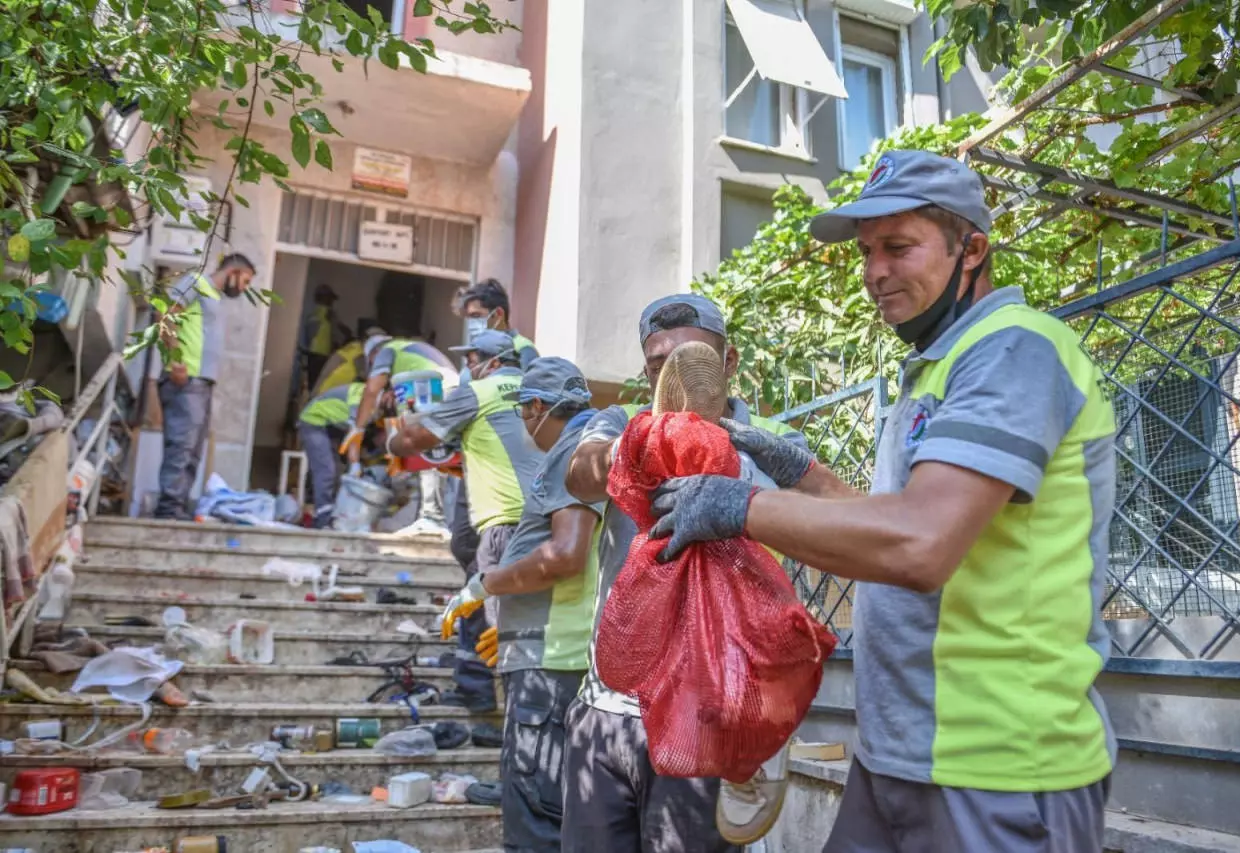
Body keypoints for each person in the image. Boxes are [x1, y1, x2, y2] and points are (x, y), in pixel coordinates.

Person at [647, 151, 1118, 853]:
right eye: (868, 252)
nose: (874, 272)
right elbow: (890, 522)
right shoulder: (936, 367)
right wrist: (801, 471)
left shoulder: (1014, 350)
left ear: (973, 249)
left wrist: (737, 503)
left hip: (1001, 764)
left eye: (899, 247)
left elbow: (920, 544)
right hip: (900, 751)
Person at [560, 294, 809, 853]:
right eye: (656, 364)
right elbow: (580, 474)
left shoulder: (773, 443)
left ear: (729, 362)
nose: (672, 373)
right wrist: (640, 448)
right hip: (605, 711)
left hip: (709, 717)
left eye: (689, 357)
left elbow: (819, 521)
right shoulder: (623, 425)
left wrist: (729, 468)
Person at [443, 356, 600, 852]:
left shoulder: (570, 451)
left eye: (523, 414)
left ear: (534, 408)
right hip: (555, 654)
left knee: (535, 820)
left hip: (550, 664)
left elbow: (565, 555)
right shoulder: (590, 445)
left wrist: (484, 585)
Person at [389, 329, 544, 713]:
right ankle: (492, 694)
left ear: (489, 362)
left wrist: (393, 439)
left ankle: (519, 724)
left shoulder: (478, 392)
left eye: (471, 360)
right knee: (529, 624)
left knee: (504, 625)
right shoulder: (537, 390)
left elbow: (415, 439)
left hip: (504, 525)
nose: (468, 368)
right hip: (551, 521)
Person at [154, 253, 256, 520]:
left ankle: (177, 506)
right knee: (182, 445)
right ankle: (168, 508)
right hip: (185, 379)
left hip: (201, 382)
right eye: (245, 281)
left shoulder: (214, 297)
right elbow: (163, 313)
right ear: (233, 271)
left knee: (193, 448)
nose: (244, 288)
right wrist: (176, 359)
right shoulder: (196, 281)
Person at [345, 335, 459, 536]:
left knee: (424, 458)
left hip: (429, 390)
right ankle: (444, 521)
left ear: (373, 355)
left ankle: (426, 521)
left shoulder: (387, 350)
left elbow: (371, 390)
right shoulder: (414, 351)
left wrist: (358, 429)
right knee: (445, 462)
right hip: (453, 392)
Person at [297, 381, 391, 529]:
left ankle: (332, 512)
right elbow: (354, 437)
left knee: (337, 470)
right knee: (326, 470)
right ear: (389, 393)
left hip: (333, 426)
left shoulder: (378, 405)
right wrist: (355, 465)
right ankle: (323, 518)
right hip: (314, 422)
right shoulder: (363, 400)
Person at [457, 278, 539, 370]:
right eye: (469, 318)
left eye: (476, 315)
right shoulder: (476, 349)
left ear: (498, 314)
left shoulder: (523, 350)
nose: (471, 323)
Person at [313, 325, 385, 396]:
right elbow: (366, 378)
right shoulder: (360, 355)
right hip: (330, 395)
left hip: (322, 392)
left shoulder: (353, 348)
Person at [302, 283, 340, 389]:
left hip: (313, 353)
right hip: (320, 354)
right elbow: (335, 333)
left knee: (312, 384)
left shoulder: (313, 313)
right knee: (318, 385)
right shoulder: (326, 313)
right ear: (324, 298)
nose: (332, 302)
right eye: (330, 298)